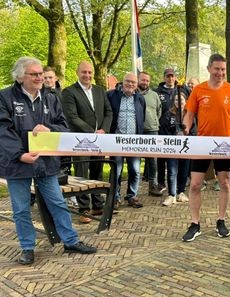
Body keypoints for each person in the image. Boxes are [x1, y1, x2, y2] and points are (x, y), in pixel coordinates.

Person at [0, 57, 97, 265]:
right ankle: (28, 248)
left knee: (57, 202)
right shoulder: (5, 98)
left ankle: (70, 241)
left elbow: (63, 125)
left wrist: (50, 129)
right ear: (20, 77)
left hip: (45, 162)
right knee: (21, 209)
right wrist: (19, 155)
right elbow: (3, 131)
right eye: (33, 74)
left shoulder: (51, 98)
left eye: (40, 74)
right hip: (18, 163)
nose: (39, 77)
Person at [181, 54, 230, 242]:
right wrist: (185, 129)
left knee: (224, 183)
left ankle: (221, 220)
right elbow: (189, 114)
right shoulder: (198, 90)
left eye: (223, 70)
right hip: (202, 144)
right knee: (195, 184)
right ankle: (195, 223)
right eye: (217, 69)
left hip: (225, 145)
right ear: (209, 69)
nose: (220, 73)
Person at [61, 61, 113, 223]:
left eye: (90, 72)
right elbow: (72, 117)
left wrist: (103, 130)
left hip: (99, 140)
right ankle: (84, 209)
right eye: (84, 72)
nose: (88, 75)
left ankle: (98, 205)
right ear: (77, 72)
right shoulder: (69, 92)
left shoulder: (99, 90)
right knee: (82, 174)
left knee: (97, 172)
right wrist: (92, 133)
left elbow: (108, 112)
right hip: (80, 141)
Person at [107, 73, 146, 208]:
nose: (130, 84)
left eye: (133, 82)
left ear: (136, 85)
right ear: (123, 82)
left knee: (135, 170)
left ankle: (132, 196)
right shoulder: (112, 96)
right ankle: (115, 198)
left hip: (134, 141)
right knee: (116, 170)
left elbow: (142, 117)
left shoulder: (140, 99)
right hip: (116, 140)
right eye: (128, 81)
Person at [137, 71, 164, 197]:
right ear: (138, 80)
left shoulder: (154, 95)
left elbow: (159, 111)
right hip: (137, 131)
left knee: (153, 160)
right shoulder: (133, 93)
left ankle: (152, 185)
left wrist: (153, 121)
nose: (145, 83)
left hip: (152, 130)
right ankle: (133, 190)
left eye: (147, 81)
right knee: (135, 160)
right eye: (142, 80)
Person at [159, 92, 186, 206]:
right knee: (172, 171)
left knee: (184, 171)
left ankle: (181, 192)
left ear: (185, 101)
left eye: (181, 100)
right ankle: (172, 195)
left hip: (186, 147)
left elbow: (194, 130)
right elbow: (163, 130)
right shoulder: (168, 114)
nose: (178, 102)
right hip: (172, 147)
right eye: (176, 100)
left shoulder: (190, 114)